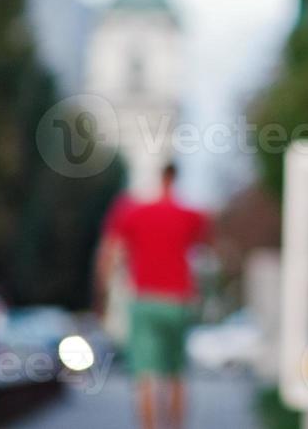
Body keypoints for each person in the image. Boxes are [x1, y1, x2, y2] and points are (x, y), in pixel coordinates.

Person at [97, 162, 213, 429]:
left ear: (158, 177)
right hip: (179, 301)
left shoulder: (132, 211)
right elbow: (206, 249)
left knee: (146, 378)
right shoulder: (191, 215)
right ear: (176, 178)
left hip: (145, 300)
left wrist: (104, 291)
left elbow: (109, 253)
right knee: (176, 375)